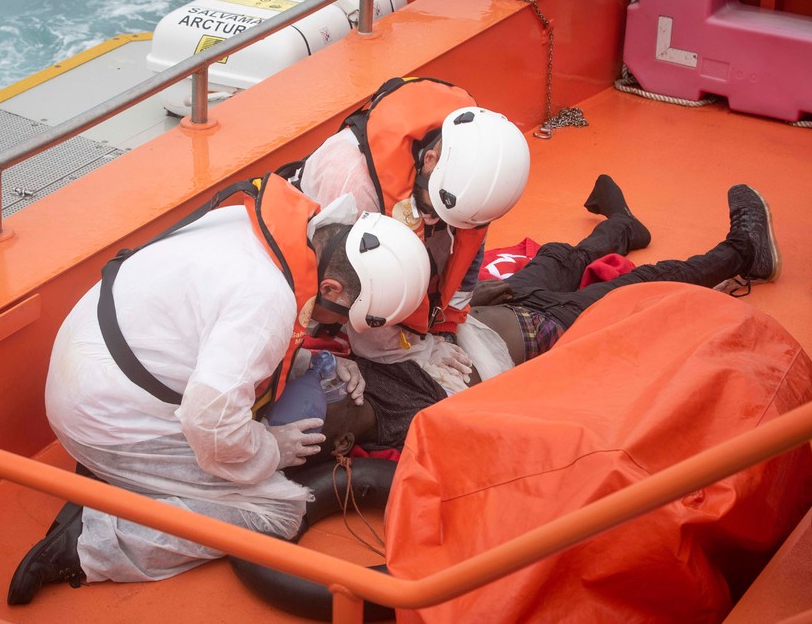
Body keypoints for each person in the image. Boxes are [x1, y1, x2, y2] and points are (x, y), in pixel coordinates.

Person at [6, 174, 431, 605]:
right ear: (331, 288)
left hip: (93, 374)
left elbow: (213, 329)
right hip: (109, 423)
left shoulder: (270, 229)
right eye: (342, 317)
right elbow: (210, 423)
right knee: (276, 508)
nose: (338, 326)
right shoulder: (267, 298)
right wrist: (271, 449)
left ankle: (135, 478)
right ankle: (88, 545)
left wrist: (314, 361)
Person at [306, 178, 781, 457]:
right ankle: (743, 251)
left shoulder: (345, 355)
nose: (326, 391)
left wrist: (465, 300)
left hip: (487, 308)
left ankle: (622, 225)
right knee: (645, 283)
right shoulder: (403, 422)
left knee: (559, 257)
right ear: (344, 441)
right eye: (326, 410)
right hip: (544, 329)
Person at [293, 77, 530, 339]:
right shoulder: (355, 186)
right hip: (341, 278)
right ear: (430, 160)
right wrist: (416, 348)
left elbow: (471, 243)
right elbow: (356, 292)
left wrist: (450, 315)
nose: (433, 221)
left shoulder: (473, 177)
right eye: (436, 211)